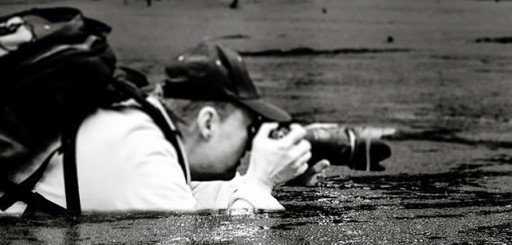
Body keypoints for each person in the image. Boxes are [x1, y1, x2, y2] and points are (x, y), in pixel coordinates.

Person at [2, 41, 329, 215]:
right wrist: (261, 182)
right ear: (208, 122)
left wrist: (278, 176)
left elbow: (190, 195)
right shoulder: (145, 160)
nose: (249, 140)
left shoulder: (139, 121)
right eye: (247, 126)